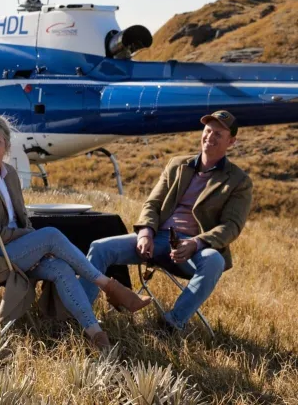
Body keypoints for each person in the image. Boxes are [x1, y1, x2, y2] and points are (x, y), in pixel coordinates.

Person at [0, 112, 151, 351]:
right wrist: (36, 243)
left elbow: (22, 219)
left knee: (61, 268)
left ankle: (96, 335)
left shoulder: (10, 174)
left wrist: (35, 249)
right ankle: (110, 287)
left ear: (6, 145)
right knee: (51, 235)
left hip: (15, 251)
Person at [80, 110, 253, 332]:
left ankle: (171, 323)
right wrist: (145, 233)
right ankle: (80, 315)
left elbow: (231, 226)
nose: (210, 136)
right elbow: (152, 203)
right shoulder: (177, 165)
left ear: (231, 141)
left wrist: (196, 243)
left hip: (195, 248)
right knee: (100, 247)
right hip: (158, 239)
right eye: (208, 130)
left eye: (219, 134)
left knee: (214, 261)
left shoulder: (239, 181)